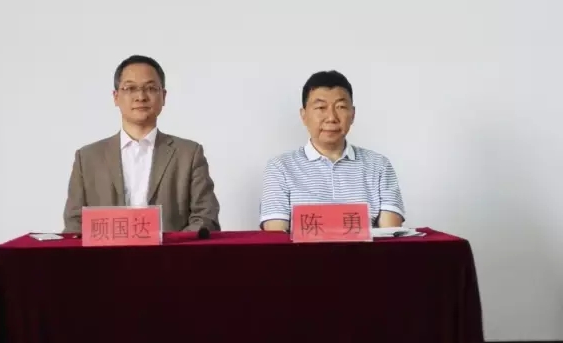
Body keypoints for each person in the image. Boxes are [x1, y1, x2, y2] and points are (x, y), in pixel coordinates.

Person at [63, 55, 220, 233]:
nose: (141, 96)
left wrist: (172, 246)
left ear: (163, 96)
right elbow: (75, 224)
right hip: (106, 252)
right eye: (130, 88)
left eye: (151, 88)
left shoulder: (189, 154)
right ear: (116, 97)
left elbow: (205, 217)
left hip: (171, 251)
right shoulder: (87, 158)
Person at [259, 70, 405, 231]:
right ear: (303, 115)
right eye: (321, 107)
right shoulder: (280, 167)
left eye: (341, 107)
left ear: (353, 114)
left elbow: (390, 234)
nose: (331, 118)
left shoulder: (379, 166)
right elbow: (276, 234)